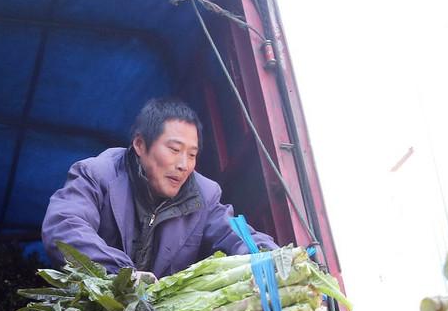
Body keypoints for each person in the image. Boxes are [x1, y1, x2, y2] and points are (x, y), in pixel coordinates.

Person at [42, 97, 276, 280]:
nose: (184, 165)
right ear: (140, 145)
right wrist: (121, 276)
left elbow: (233, 234)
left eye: (192, 154)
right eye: (174, 150)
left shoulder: (204, 196)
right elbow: (64, 225)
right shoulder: (97, 174)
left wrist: (274, 257)